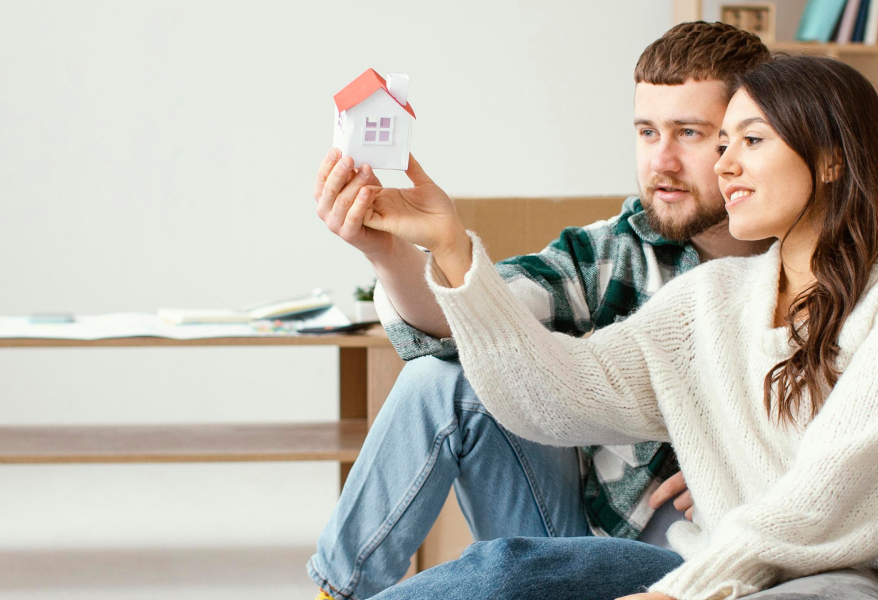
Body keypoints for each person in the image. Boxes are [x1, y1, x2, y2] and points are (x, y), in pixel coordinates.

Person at [340, 55, 878, 600]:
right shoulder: (711, 298)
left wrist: (677, 595)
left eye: (751, 140)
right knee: (505, 571)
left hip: (841, 576)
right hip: (705, 565)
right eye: (724, 144)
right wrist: (449, 245)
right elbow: (555, 391)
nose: (725, 165)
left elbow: (831, 497)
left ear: (831, 160)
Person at [307, 22, 774, 600]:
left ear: (751, 137)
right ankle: (335, 593)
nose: (662, 161)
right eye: (647, 132)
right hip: (579, 537)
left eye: (690, 133)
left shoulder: (813, 270)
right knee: (445, 378)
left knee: (499, 571)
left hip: (703, 559)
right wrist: (385, 251)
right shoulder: (617, 251)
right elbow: (477, 319)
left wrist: (738, 468)